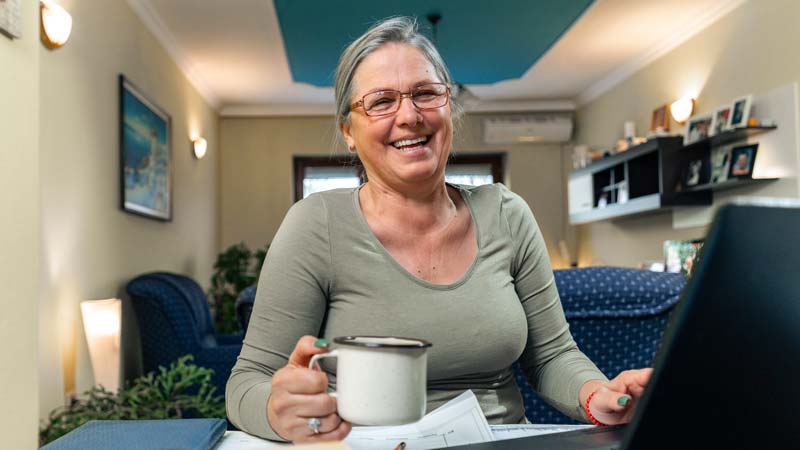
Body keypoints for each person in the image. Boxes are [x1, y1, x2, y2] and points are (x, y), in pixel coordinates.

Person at [225, 16, 651, 443]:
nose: (409, 116)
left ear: (449, 107)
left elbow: (552, 356)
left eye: (426, 94)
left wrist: (598, 394)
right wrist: (277, 411)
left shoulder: (507, 213)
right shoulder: (315, 224)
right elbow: (249, 381)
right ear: (348, 132)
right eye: (380, 101)